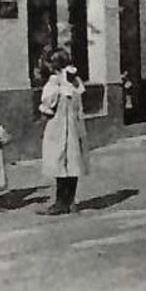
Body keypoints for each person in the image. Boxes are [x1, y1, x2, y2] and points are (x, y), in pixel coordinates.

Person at [38, 49, 90, 216]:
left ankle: (60, 202)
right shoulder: (74, 81)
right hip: (74, 126)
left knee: (59, 161)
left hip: (58, 127)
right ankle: (70, 200)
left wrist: (43, 121)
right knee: (72, 162)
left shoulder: (54, 83)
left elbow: (47, 108)